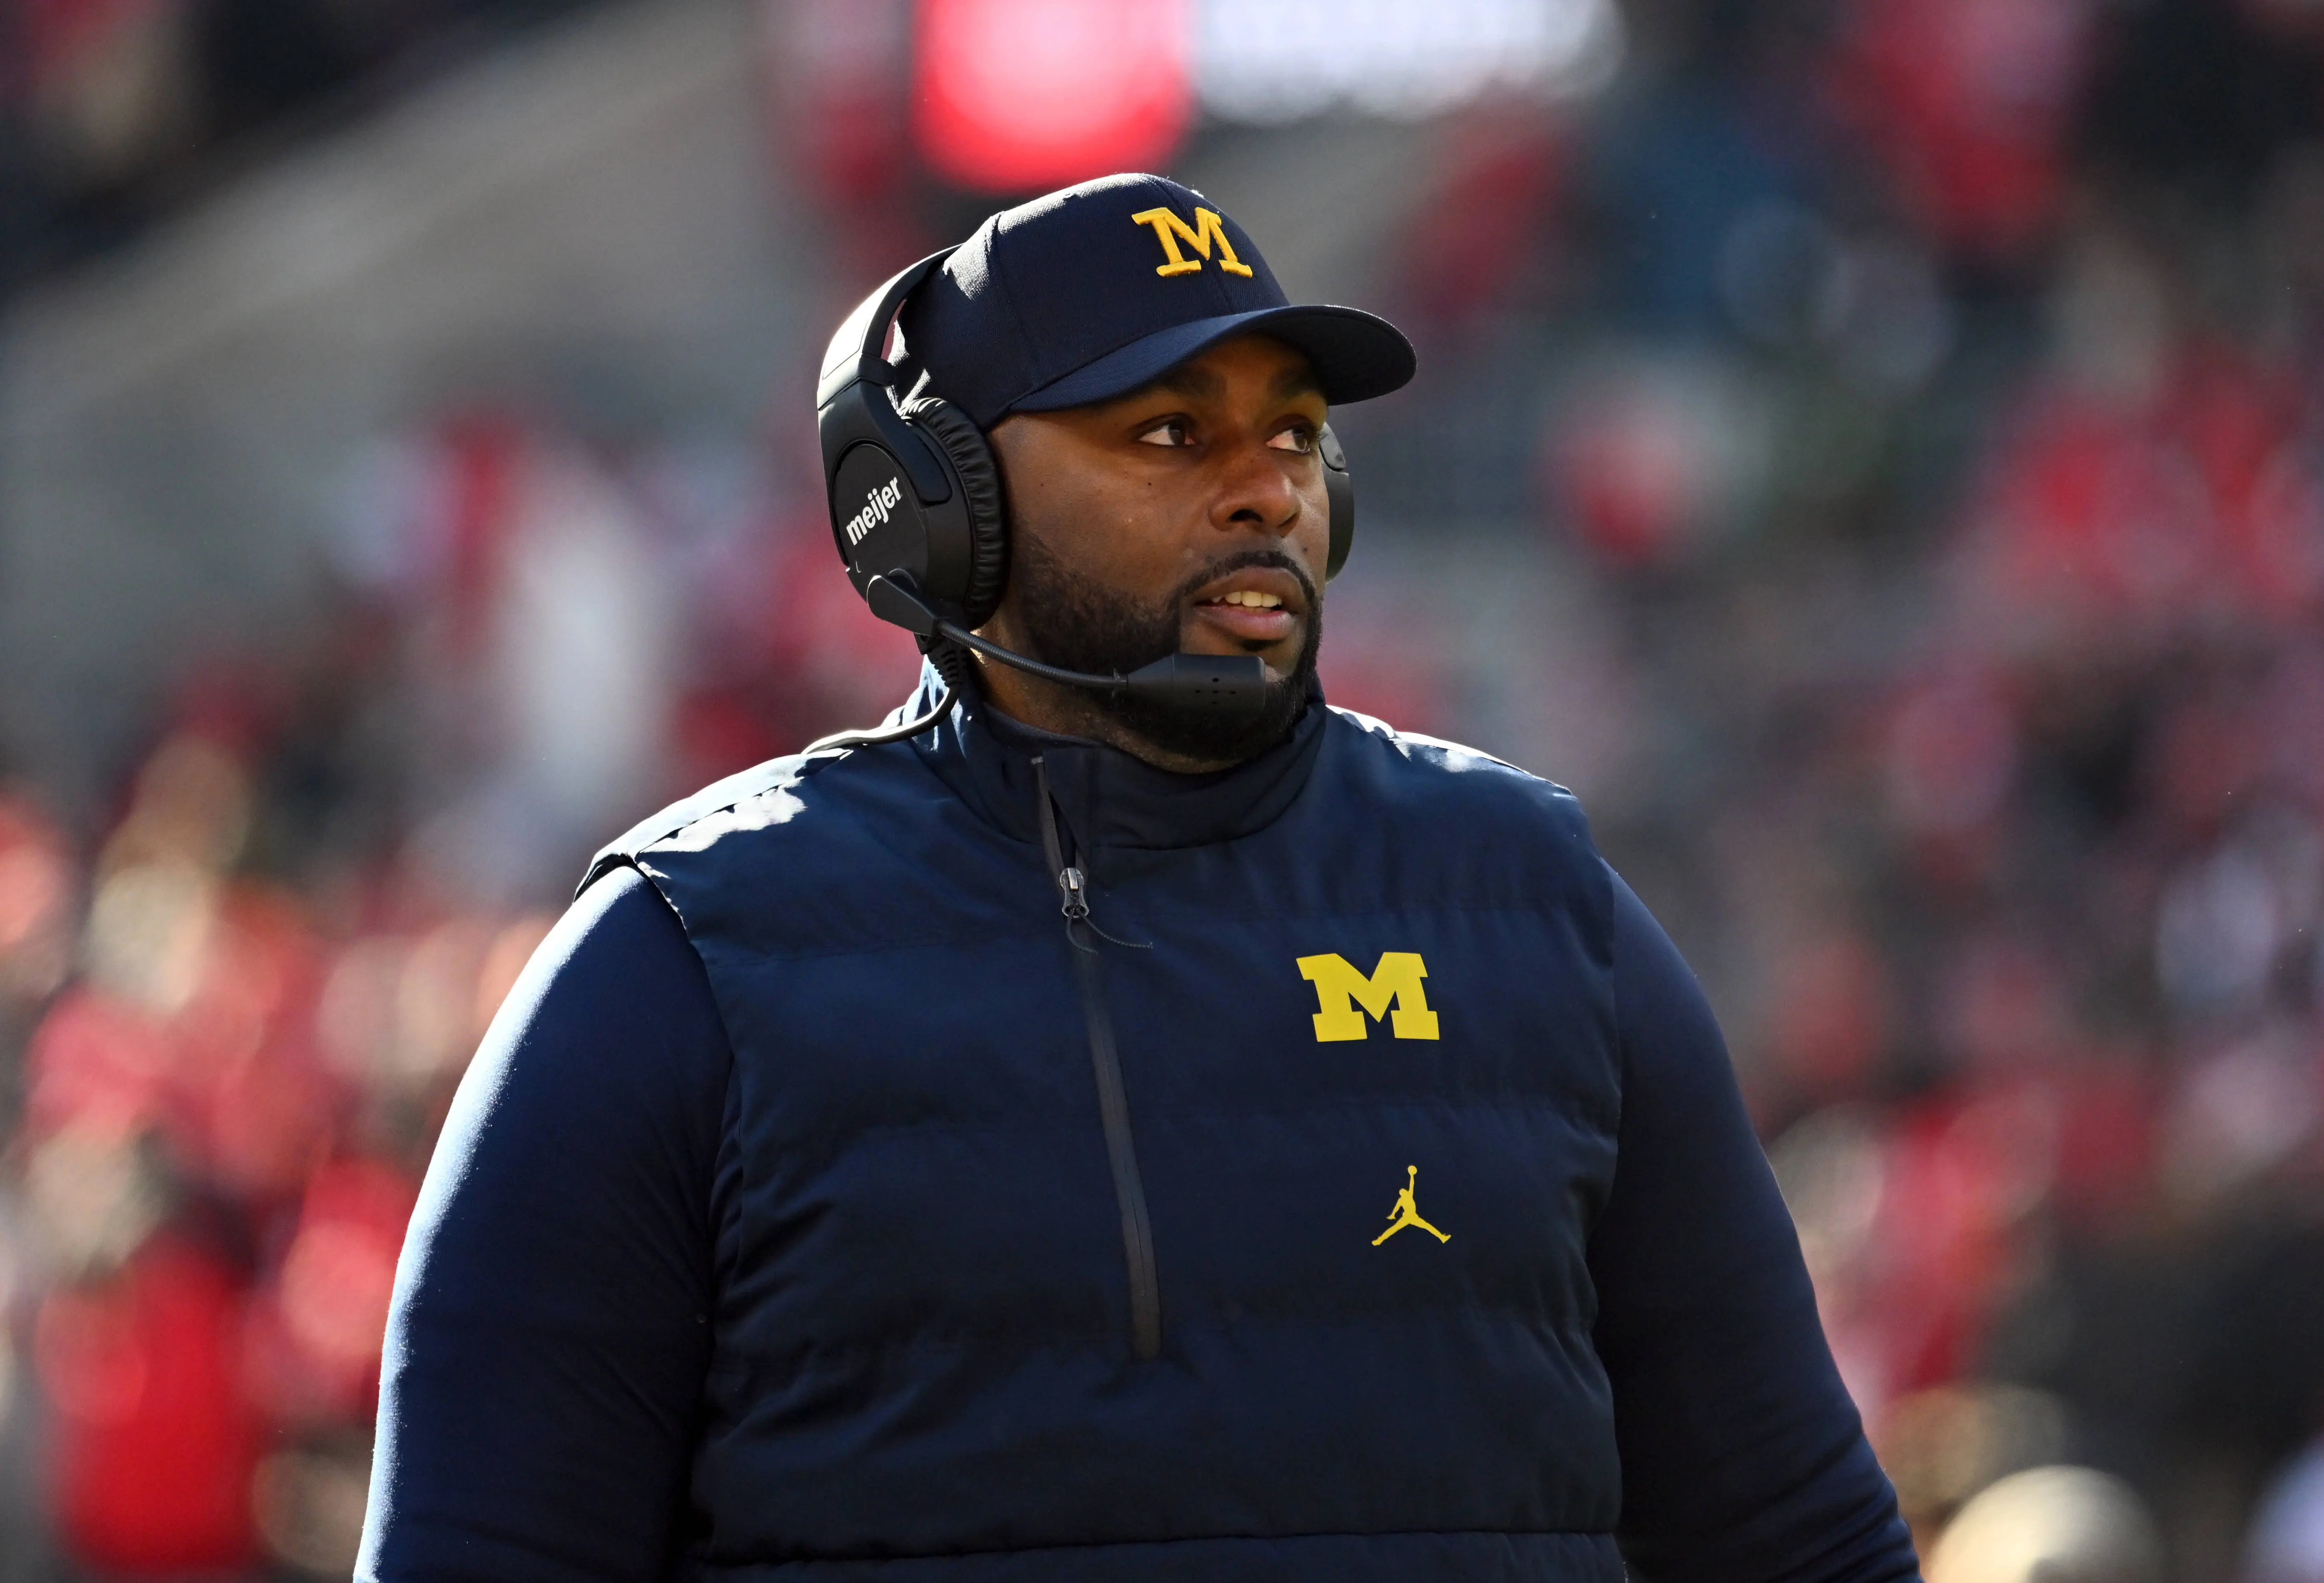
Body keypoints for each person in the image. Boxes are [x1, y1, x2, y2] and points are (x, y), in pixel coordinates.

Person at [359, 174, 1920, 1583]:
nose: (1265, 490)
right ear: (943, 508)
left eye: (1295, 434)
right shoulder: (681, 965)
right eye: (1171, 433)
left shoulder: (1534, 907)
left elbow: (1801, 1545)